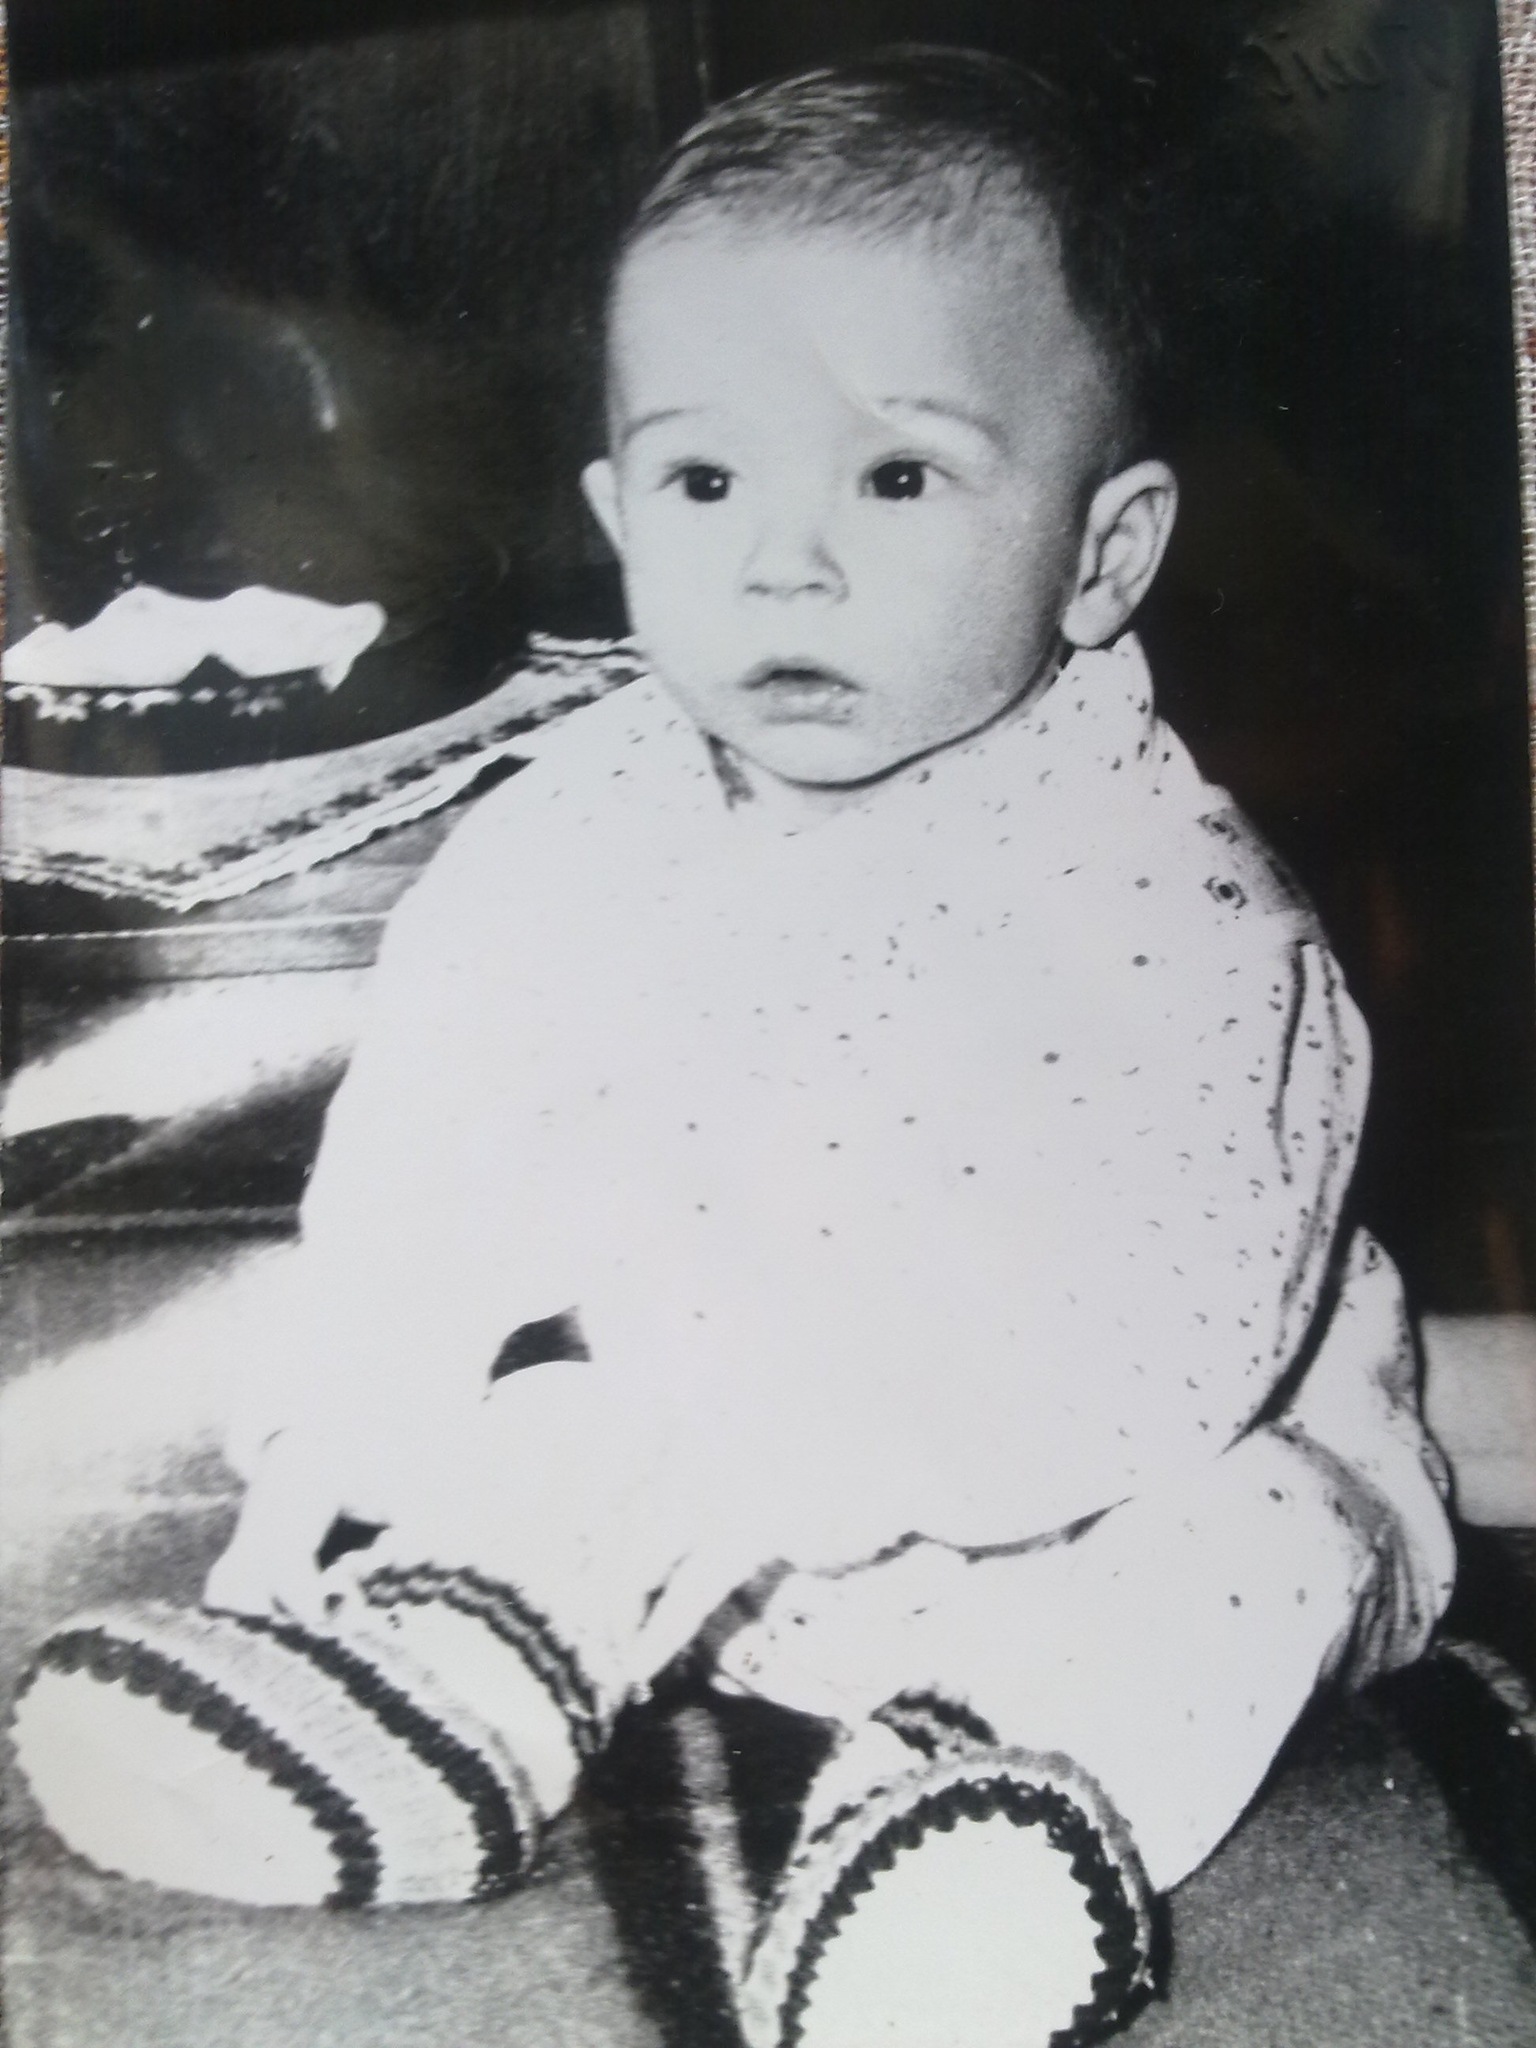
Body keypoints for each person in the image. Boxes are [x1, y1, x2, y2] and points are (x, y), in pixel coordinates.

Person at [13, 48, 1456, 2047]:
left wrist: (767, 1404)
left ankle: (965, 1845)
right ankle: (431, 1693)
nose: (788, 561)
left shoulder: (1168, 902)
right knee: (569, 1385)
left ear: (1101, 552)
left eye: (895, 476)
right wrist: (339, 1483)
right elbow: (420, 1165)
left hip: (1083, 1481)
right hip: (693, 1545)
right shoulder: (571, 826)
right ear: (618, 514)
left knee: (1265, 1548)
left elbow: (1151, 1354)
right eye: (708, 482)